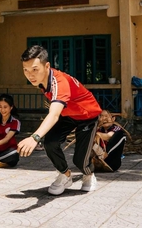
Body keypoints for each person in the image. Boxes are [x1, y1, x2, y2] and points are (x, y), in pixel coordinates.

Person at [17, 45, 102, 195]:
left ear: (47, 66)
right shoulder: (42, 80)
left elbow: (54, 114)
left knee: (80, 161)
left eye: (35, 69)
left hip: (87, 116)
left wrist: (35, 137)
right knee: (50, 143)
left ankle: (89, 174)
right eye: (26, 70)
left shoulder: (59, 82)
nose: (30, 75)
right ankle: (65, 174)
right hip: (68, 114)